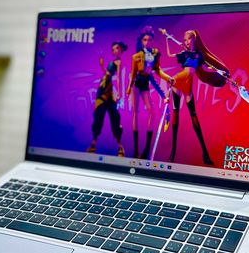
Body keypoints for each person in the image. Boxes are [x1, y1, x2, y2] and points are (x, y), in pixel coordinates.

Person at [164, 28, 229, 165]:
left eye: (189, 39)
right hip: (177, 82)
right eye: (185, 40)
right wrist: (167, 40)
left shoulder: (199, 55)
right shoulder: (184, 53)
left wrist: (219, 72)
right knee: (176, 114)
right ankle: (173, 153)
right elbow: (169, 55)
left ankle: (205, 154)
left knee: (194, 116)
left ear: (194, 40)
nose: (187, 42)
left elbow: (206, 68)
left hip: (188, 85)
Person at [126, 28, 173, 159]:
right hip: (137, 84)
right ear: (142, 41)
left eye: (149, 40)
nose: (147, 42)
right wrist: (128, 89)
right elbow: (133, 73)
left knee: (152, 112)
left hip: (146, 84)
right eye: (145, 40)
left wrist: (168, 79)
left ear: (152, 41)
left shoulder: (155, 53)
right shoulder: (136, 56)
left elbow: (157, 71)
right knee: (135, 113)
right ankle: (136, 149)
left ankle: (146, 148)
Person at [87, 41, 128, 157]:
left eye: (117, 48)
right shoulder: (113, 62)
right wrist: (102, 65)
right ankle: (93, 144)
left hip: (108, 91)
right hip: (102, 88)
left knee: (115, 117)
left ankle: (120, 146)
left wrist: (119, 94)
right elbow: (107, 73)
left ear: (121, 50)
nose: (115, 51)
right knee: (98, 116)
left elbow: (118, 78)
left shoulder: (119, 62)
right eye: (113, 49)